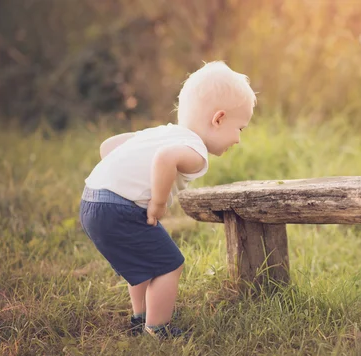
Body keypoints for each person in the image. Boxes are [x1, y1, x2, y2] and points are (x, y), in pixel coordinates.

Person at [79, 61, 256, 339]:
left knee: (143, 264)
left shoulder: (160, 132)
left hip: (91, 200)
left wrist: (120, 178)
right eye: (240, 129)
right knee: (169, 264)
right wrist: (158, 203)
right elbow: (165, 159)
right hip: (119, 208)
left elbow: (109, 146)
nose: (238, 139)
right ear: (218, 118)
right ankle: (158, 328)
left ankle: (140, 317)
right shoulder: (195, 151)